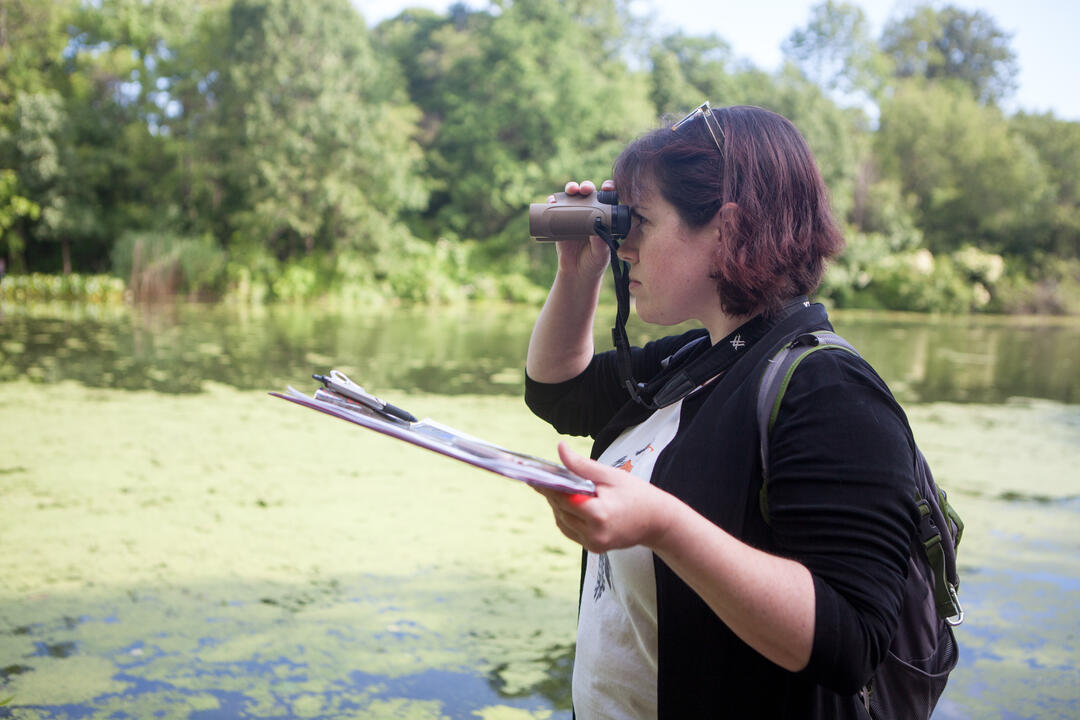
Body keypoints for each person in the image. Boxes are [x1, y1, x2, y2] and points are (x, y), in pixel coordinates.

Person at [524, 104, 918, 719]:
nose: (624, 243)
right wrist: (581, 272)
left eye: (641, 223)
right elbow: (558, 391)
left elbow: (851, 641)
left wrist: (664, 526)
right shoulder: (698, 357)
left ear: (729, 229)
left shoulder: (826, 387)